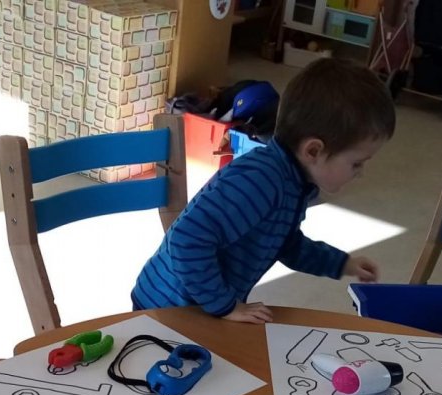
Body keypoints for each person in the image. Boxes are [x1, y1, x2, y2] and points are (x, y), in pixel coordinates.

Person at [132, 58, 395, 324]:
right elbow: (186, 241)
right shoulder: (260, 182)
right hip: (168, 306)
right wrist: (226, 306)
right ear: (313, 151)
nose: (360, 173)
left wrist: (341, 263)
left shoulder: (293, 182)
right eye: (356, 163)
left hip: (199, 305)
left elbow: (286, 244)